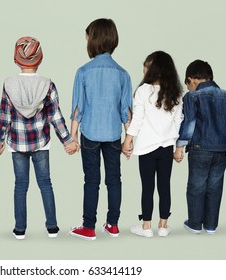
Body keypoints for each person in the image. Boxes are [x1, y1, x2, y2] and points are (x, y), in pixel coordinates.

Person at [0, 36, 79, 240]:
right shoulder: (47, 85)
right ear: (40, 59)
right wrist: (68, 141)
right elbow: (55, 116)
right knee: (46, 183)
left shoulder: (9, 84)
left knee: (20, 185)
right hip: (42, 143)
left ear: (16, 60)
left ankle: (20, 229)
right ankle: (52, 227)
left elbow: (4, 116)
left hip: (17, 143)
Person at [69, 18, 132, 240]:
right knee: (114, 179)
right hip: (114, 134)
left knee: (91, 180)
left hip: (90, 134)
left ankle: (88, 227)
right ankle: (113, 225)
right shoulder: (123, 73)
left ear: (93, 40)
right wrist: (129, 139)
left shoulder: (83, 71)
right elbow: (126, 110)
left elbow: (78, 108)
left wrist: (72, 136)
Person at [174, 60, 226, 235]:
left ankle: (194, 224)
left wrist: (180, 146)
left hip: (200, 148)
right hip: (221, 150)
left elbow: (189, 122)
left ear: (191, 79)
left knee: (196, 186)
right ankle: (211, 225)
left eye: (188, 84)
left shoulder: (192, 97)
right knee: (215, 187)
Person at [122, 51, 183, 238]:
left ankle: (146, 226)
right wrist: (177, 146)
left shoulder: (143, 91)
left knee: (147, 187)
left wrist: (128, 140)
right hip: (166, 147)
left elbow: (138, 119)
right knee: (165, 186)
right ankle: (163, 225)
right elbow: (178, 121)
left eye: (146, 67)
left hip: (147, 148)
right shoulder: (176, 93)